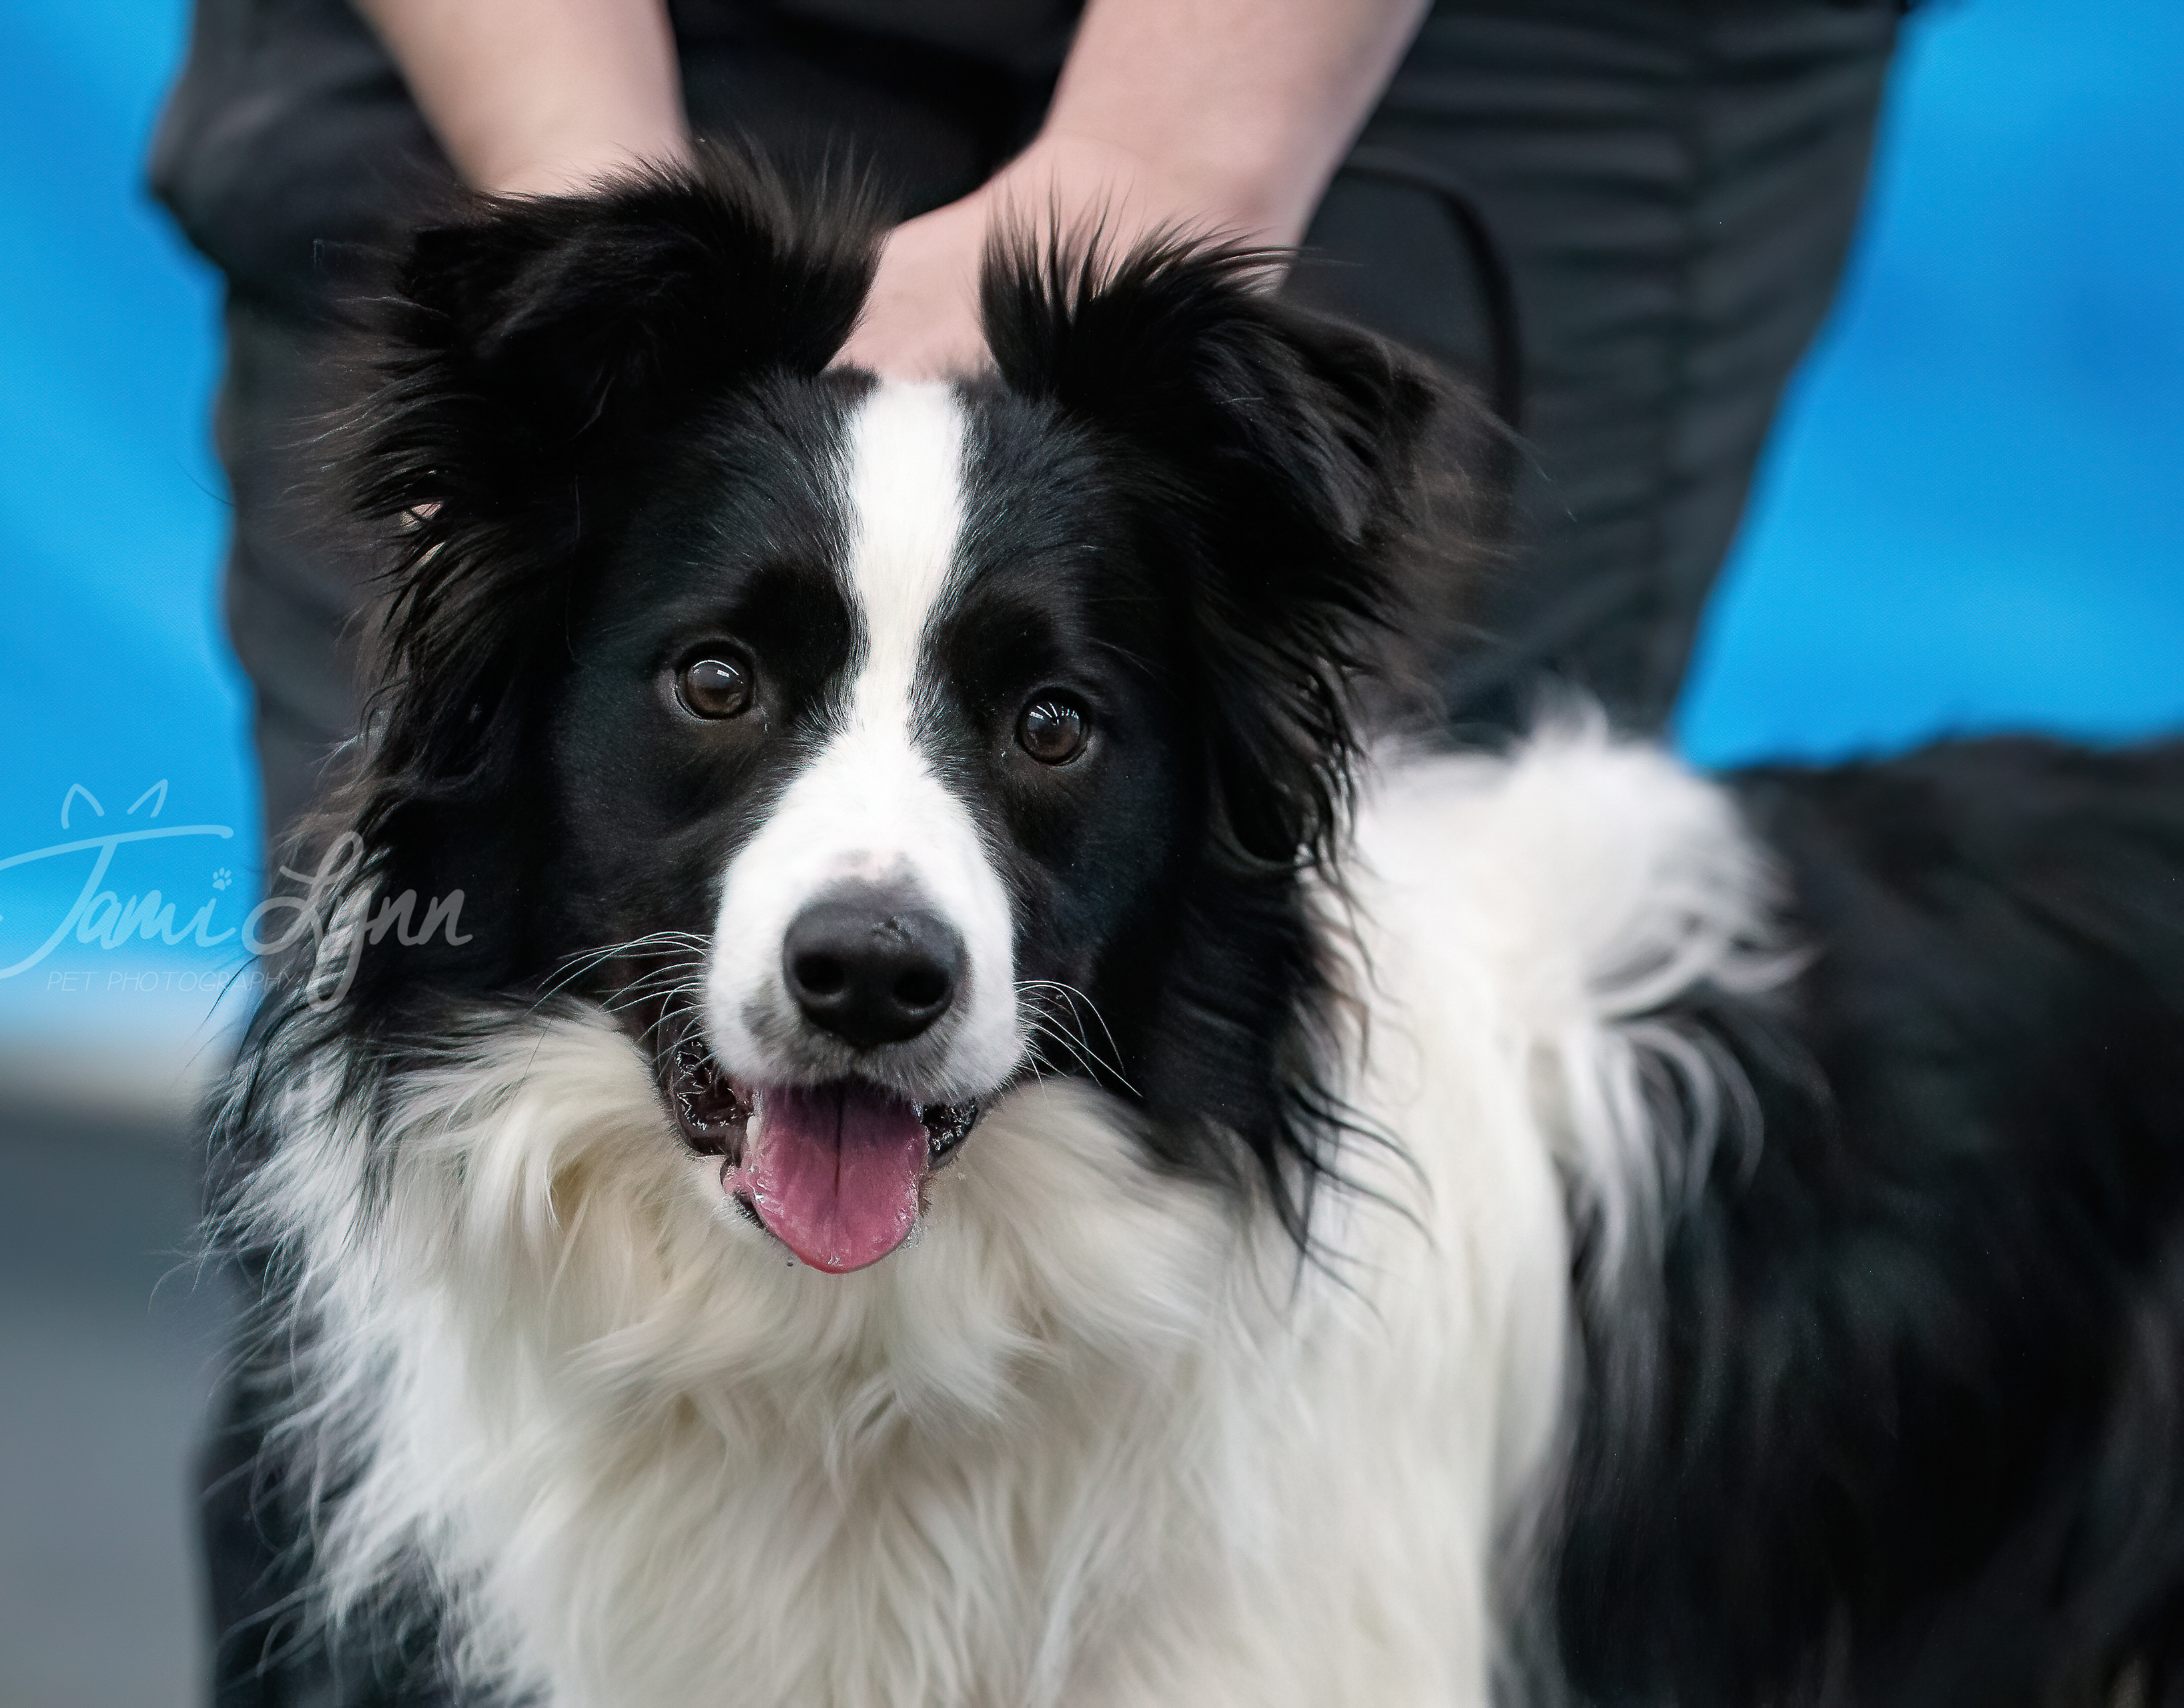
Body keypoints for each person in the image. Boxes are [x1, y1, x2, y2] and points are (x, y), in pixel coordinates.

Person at [151, 1, 1910, 1701]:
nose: (875, 923)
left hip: (1474, 49)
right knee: (331, 1438)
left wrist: (1161, 161)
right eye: (719, 680)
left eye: (1051, 724)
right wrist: (595, 218)